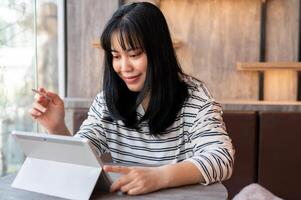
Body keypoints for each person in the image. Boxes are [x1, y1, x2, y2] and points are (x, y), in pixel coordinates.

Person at [30, 2, 234, 196]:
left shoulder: (195, 98)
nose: (124, 67)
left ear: (159, 52)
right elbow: (82, 162)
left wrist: (160, 176)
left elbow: (221, 158)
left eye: (134, 54)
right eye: (116, 56)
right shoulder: (106, 102)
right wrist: (57, 128)